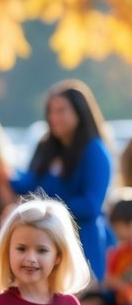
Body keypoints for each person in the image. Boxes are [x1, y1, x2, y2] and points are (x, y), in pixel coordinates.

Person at [11, 80, 113, 283]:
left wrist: (47, 210)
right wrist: (6, 174)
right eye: (51, 111)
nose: (54, 117)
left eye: (61, 110)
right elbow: (30, 184)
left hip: (83, 243)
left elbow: (91, 204)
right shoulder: (46, 146)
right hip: (45, 243)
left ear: (79, 112)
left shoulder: (95, 151)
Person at [100, 192, 132, 305]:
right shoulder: (119, 251)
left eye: (118, 228)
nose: (115, 233)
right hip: (117, 298)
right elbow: (107, 276)